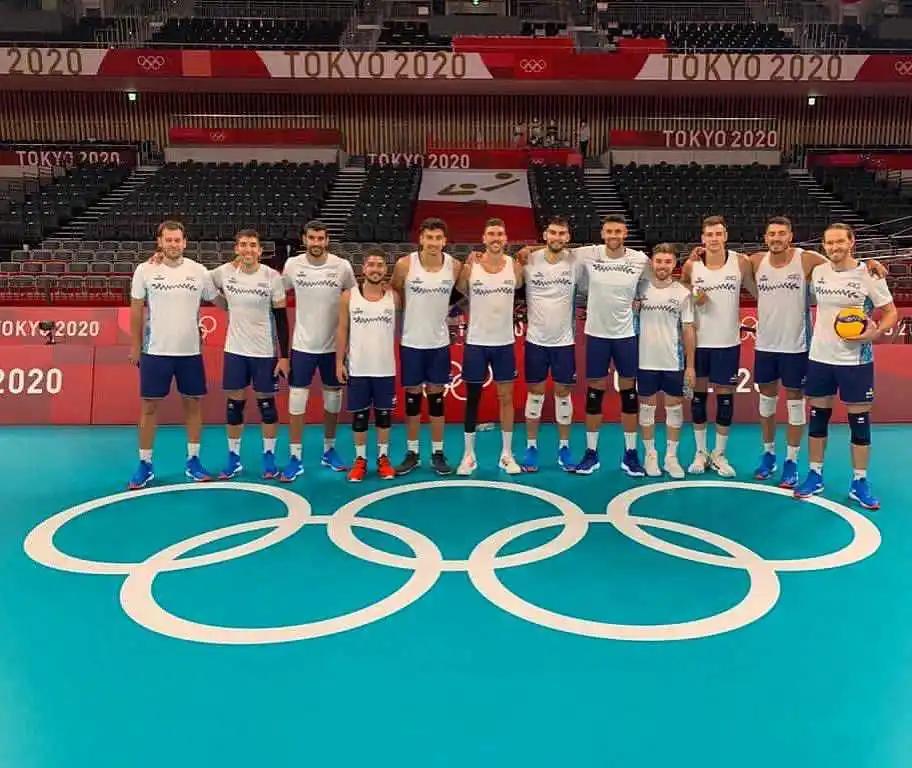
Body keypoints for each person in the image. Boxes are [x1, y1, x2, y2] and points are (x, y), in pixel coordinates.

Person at [749, 216, 886, 488]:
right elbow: (719, 259)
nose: (776, 238)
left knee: (797, 406)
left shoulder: (809, 260)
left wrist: (870, 263)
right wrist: (697, 255)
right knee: (766, 403)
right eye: (771, 233)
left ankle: (791, 462)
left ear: (791, 236)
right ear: (765, 238)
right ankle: (768, 455)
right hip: (765, 345)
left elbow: (843, 264)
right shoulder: (753, 261)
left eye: (782, 233)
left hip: (799, 346)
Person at [794, 223, 897, 510]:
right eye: (829, 242)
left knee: (859, 424)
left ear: (852, 242)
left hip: (855, 360)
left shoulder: (869, 274)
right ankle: (815, 475)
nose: (835, 247)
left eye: (840, 241)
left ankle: (860, 481)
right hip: (820, 357)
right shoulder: (819, 271)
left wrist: (875, 334)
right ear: (824, 246)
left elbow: (890, 312)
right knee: (817, 419)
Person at [127, 220, 219, 489]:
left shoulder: (199, 271)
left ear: (185, 242)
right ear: (160, 242)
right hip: (155, 351)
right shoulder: (145, 270)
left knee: (193, 405)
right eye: (168, 240)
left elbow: (219, 298)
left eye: (177, 240)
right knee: (149, 407)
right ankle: (144, 464)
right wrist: (135, 346)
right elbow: (136, 309)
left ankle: (193, 460)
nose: (173, 244)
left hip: (190, 352)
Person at [571, 214, 648, 477]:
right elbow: (554, 251)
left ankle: (631, 454)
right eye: (609, 231)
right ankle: (591, 454)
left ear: (625, 233)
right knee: (595, 394)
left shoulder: (639, 259)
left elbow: (654, 281)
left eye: (618, 231)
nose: (613, 236)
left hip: (626, 335)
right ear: (602, 234)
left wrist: (641, 299)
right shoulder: (589, 253)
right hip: (596, 335)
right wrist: (526, 251)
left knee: (629, 393)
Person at [209, 229, 289, 481]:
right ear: (236, 249)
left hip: (264, 352)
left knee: (267, 406)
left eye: (252, 245)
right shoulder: (224, 273)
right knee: (234, 406)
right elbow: (200, 281)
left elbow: (281, 319)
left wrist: (283, 355)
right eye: (243, 245)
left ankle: (269, 456)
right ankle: (233, 458)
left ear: (260, 251)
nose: (248, 250)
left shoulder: (272, 276)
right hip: (235, 350)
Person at [280, 220, 356, 482]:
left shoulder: (342, 267)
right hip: (302, 346)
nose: (316, 243)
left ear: (327, 239)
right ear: (304, 239)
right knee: (297, 400)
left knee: (333, 399)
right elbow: (276, 290)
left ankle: (329, 449)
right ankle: (295, 456)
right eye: (311, 238)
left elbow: (355, 298)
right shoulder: (292, 265)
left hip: (333, 348)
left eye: (320, 238)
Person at [681, 215, 756, 477]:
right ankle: (700, 452)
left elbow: (759, 291)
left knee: (725, 400)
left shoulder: (741, 263)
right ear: (702, 238)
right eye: (709, 234)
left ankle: (719, 454)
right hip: (699, 343)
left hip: (728, 343)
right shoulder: (692, 267)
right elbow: (682, 296)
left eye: (718, 234)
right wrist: (694, 295)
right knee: (698, 399)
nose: (713, 239)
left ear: (725, 236)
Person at [455, 218, 523, 475]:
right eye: (491, 234)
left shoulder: (515, 267)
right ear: (483, 239)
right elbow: (457, 297)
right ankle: (468, 455)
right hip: (476, 343)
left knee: (506, 398)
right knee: (473, 399)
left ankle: (506, 454)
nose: (496, 238)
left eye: (500, 234)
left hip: (504, 343)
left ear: (506, 239)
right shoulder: (470, 267)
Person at [391, 217, 458, 476]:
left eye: (438, 238)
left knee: (437, 400)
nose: (433, 243)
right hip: (411, 342)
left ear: (445, 241)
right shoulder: (405, 264)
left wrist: (454, 312)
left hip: (439, 343)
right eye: (429, 237)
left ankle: (438, 453)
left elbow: (464, 293)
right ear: (421, 239)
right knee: (412, 399)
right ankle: (412, 452)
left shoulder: (454, 266)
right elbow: (395, 294)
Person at [520, 215, 579, 472]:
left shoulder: (577, 261)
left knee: (563, 395)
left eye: (562, 233)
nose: (557, 237)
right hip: (536, 340)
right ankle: (531, 447)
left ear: (568, 237)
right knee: (535, 395)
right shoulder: (528, 260)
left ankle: (564, 447)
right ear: (545, 235)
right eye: (553, 232)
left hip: (564, 342)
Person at [335, 247, 399, 482]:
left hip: (385, 369)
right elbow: (342, 330)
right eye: (371, 264)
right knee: (360, 417)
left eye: (380, 265)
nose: (375, 269)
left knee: (384, 417)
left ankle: (383, 458)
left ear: (385, 269)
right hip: (358, 368)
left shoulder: (395, 297)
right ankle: (360, 460)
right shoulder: (349, 296)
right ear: (364, 269)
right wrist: (338, 362)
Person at [635, 244, 696, 478]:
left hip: (673, 361)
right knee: (647, 411)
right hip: (645, 361)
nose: (662, 265)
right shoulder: (639, 288)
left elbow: (688, 330)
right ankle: (651, 455)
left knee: (674, 411)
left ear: (675, 265)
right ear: (652, 262)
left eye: (667, 261)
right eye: (658, 260)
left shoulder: (682, 293)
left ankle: (671, 457)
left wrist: (690, 365)